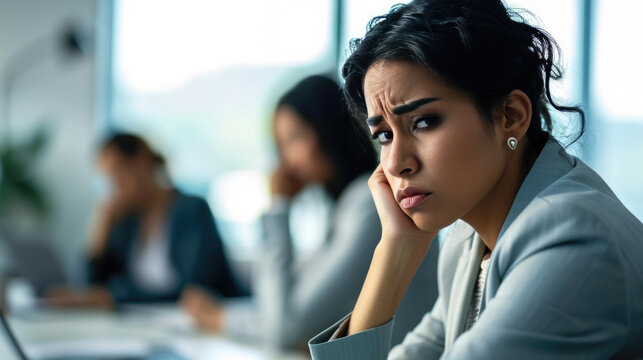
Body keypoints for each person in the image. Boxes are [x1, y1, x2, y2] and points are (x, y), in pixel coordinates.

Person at [308, 1, 643, 359]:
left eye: (423, 122)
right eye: (385, 135)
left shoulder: (574, 237)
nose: (396, 163)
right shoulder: (467, 242)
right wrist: (394, 250)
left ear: (510, 117)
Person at [181, 75, 440, 350]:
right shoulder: (345, 208)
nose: (287, 162)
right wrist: (226, 318)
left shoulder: (370, 206)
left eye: (294, 138)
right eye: (281, 146)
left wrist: (279, 209)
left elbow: (286, 329)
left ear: (327, 130)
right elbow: (283, 313)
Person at [47, 133, 246, 307]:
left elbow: (193, 291)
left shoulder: (192, 210)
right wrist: (100, 230)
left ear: (143, 161)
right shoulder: (127, 221)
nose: (116, 187)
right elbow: (90, 289)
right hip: (146, 326)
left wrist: (115, 298)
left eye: (119, 174)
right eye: (109, 180)